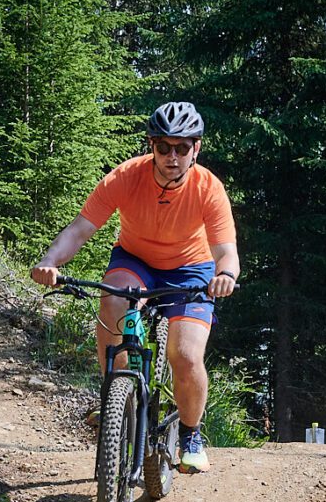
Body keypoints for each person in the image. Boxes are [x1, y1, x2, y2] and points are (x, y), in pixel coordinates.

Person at [31, 102, 240, 474]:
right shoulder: (125, 177)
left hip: (191, 270)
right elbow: (80, 229)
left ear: (196, 148)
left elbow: (226, 250)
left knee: (187, 355)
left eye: (182, 147)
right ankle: (117, 392)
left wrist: (225, 274)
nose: (172, 156)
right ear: (151, 146)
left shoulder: (209, 188)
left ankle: (191, 433)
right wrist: (50, 262)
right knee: (112, 300)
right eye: (163, 147)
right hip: (135, 260)